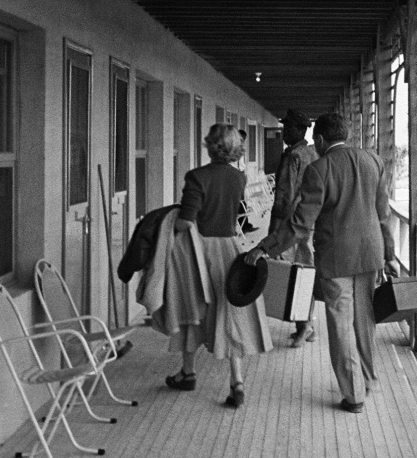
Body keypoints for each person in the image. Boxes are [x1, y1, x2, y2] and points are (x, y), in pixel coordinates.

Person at [247, 112, 400, 413]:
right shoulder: (373, 161)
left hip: (336, 258)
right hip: (370, 256)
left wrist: (266, 246)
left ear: (319, 139)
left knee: (341, 325)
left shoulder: (319, 169)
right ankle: (367, 380)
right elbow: (383, 215)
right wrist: (390, 254)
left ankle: (354, 395)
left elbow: (301, 224)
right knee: (365, 321)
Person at [165, 123, 272, 408]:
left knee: (191, 308)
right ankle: (237, 380)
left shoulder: (197, 177)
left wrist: (167, 224)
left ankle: (187, 372)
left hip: (198, 249)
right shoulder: (238, 178)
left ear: (210, 145)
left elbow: (186, 221)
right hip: (229, 247)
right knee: (228, 312)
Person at [271, 109, 321, 347]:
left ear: (301, 130)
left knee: (295, 273)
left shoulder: (294, 156)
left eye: (288, 128)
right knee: (304, 271)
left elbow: (285, 195)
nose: (284, 132)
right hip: (308, 221)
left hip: (291, 224)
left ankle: (305, 326)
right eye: (284, 127)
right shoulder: (313, 153)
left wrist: (276, 230)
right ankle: (305, 324)